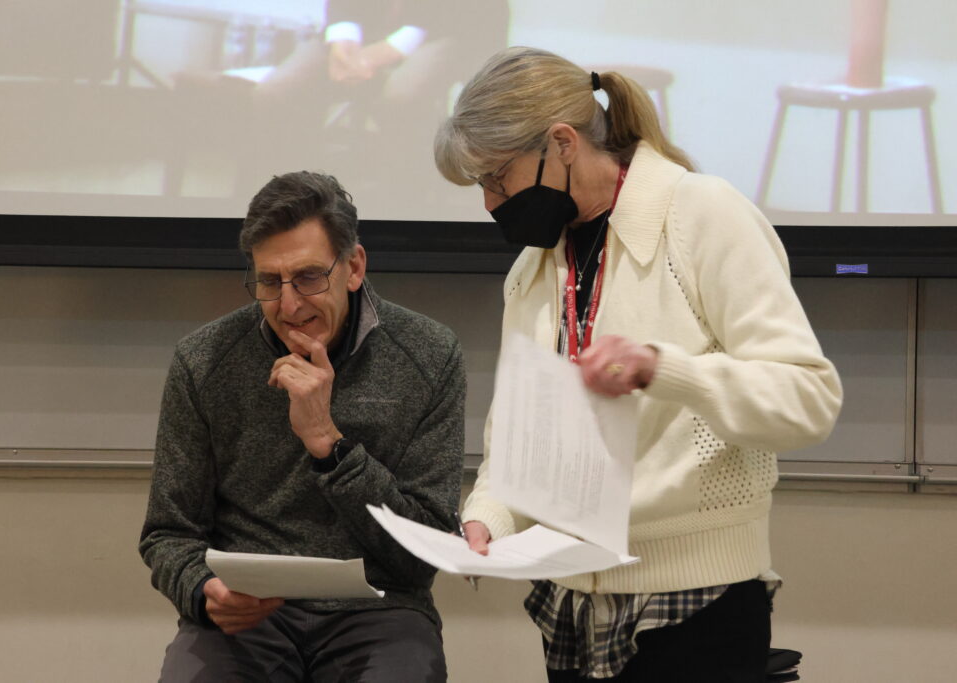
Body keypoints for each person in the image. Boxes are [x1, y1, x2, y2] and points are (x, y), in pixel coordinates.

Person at [434, 47, 843, 682]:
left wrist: (663, 368)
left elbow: (806, 400)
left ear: (562, 143)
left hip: (696, 603)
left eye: (497, 179)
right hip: (569, 604)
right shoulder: (535, 269)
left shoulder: (702, 213)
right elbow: (517, 438)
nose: (491, 204)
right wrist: (489, 514)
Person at [139, 171, 465, 682]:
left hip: (380, 610)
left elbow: (423, 553)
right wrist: (205, 591)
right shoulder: (204, 361)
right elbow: (169, 532)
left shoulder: (429, 354)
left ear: (354, 267)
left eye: (310, 277)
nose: (289, 306)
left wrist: (328, 445)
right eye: (270, 282)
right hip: (251, 614)